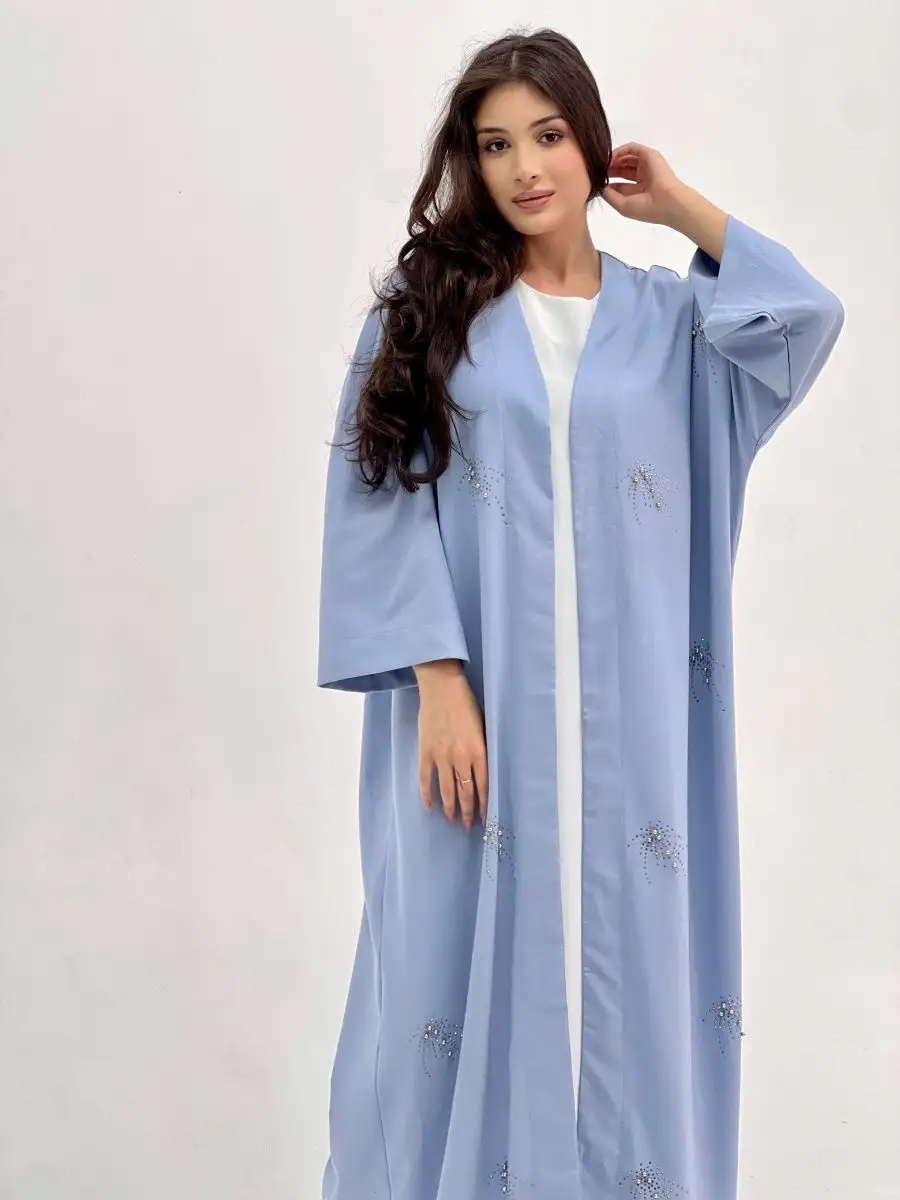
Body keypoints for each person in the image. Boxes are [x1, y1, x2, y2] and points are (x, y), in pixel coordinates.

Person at [315, 26, 843, 1200]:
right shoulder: (427, 313)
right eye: (495, 144)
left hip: (636, 732)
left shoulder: (675, 328)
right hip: (477, 716)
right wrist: (436, 678)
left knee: (633, 971)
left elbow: (806, 318)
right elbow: (372, 482)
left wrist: (683, 208)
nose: (524, 168)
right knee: (440, 968)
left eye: (548, 136)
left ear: (590, 142)